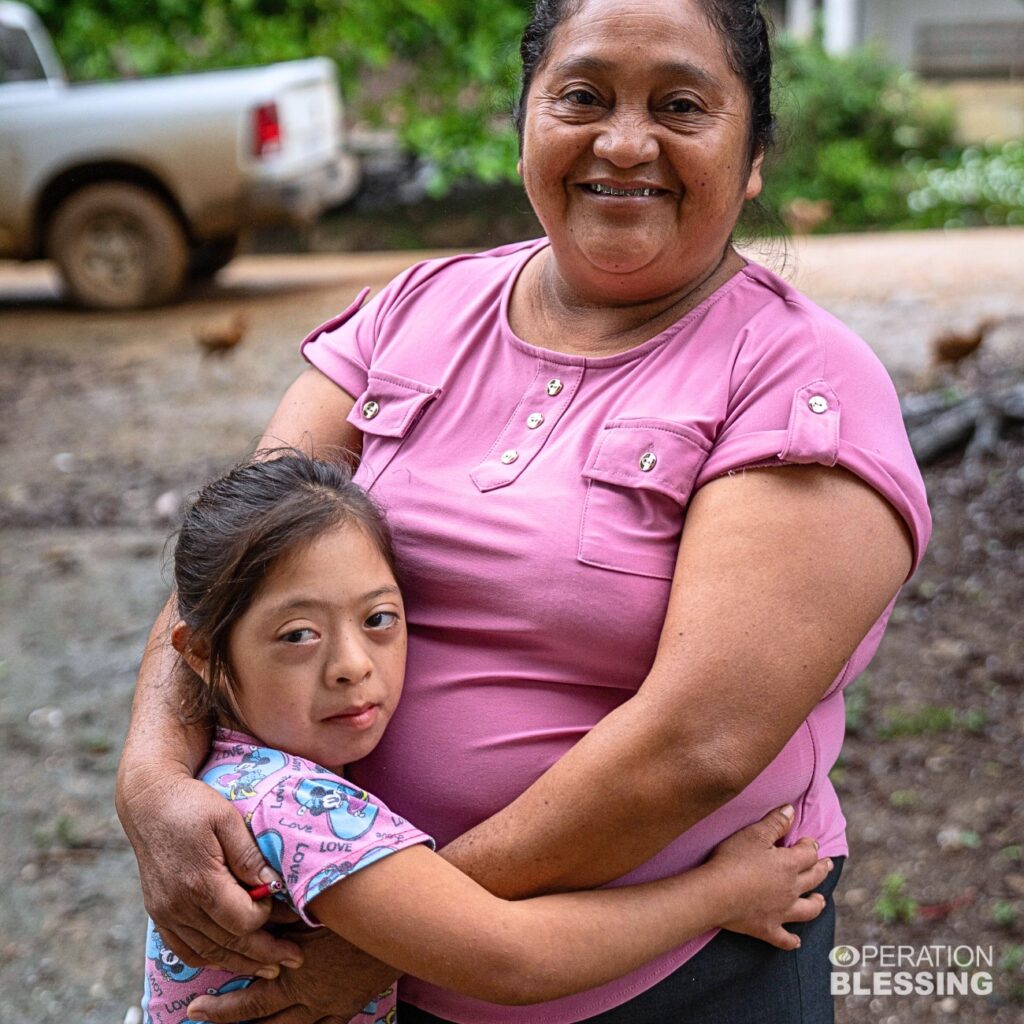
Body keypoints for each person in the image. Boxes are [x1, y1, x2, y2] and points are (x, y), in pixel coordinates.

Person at [116, 1, 930, 1021]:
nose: (624, 143)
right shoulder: (414, 313)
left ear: (752, 153)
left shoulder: (798, 382)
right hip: (354, 929)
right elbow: (229, 568)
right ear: (525, 124)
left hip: (661, 981)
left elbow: (696, 746)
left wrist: (397, 940)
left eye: (680, 105)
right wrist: (149, 781)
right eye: (582, 97)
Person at [140, 451, 831, 1024]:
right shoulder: (297, 812)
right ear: (199, 654)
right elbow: (514, 958)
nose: (353, 665)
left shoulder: (229, 772)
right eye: (298, 636)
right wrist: (721, 895)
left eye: (380, 619)